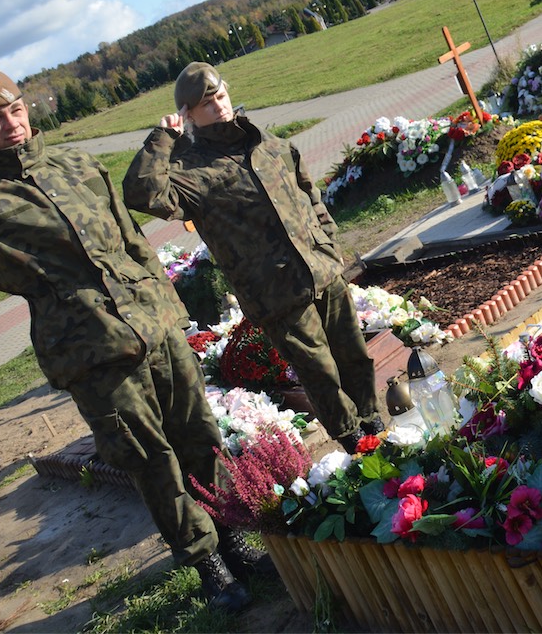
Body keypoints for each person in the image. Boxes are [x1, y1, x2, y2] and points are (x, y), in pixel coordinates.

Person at [0, 70, 256, 613]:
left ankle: (233, 538)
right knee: (149, 459)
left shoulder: (76, 164)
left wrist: (170, 310)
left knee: (200, 435)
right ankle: (207, 563)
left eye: (16, 110)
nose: (11, 124)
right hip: (91, 352)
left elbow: (131, 241)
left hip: (153, 326)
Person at [124, 62, 384, 455]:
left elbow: (308, 192)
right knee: (320, 372)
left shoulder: (265, 143)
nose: (219, 106)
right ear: (188, 114)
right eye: (206, 103)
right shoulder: (188, 171)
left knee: (354, 355)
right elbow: (141, 193)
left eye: (220, 96)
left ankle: (375, 422)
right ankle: (356, 442)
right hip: (275, 291)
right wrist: (163, 138)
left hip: (321, 269)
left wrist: (328, 244)